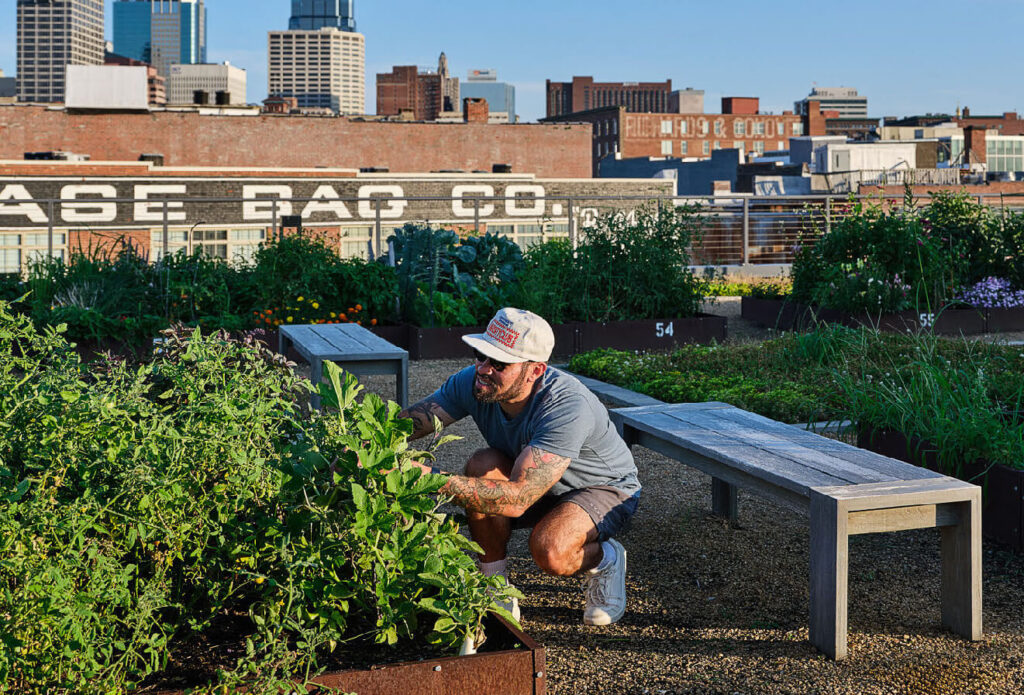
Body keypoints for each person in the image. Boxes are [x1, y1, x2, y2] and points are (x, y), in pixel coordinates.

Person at [400, 307, 641, 626]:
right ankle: (494, 583)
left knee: (551, 550)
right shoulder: (473, 382)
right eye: (480, 354)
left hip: (600, 488)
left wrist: (422, 477)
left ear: (535, 371)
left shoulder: (566, 406)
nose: (483, 369)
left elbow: (516, 500)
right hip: (533, 483)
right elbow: (407, 424)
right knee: (482, 464)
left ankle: (606, 559)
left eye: (499, 363)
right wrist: (356, 444)